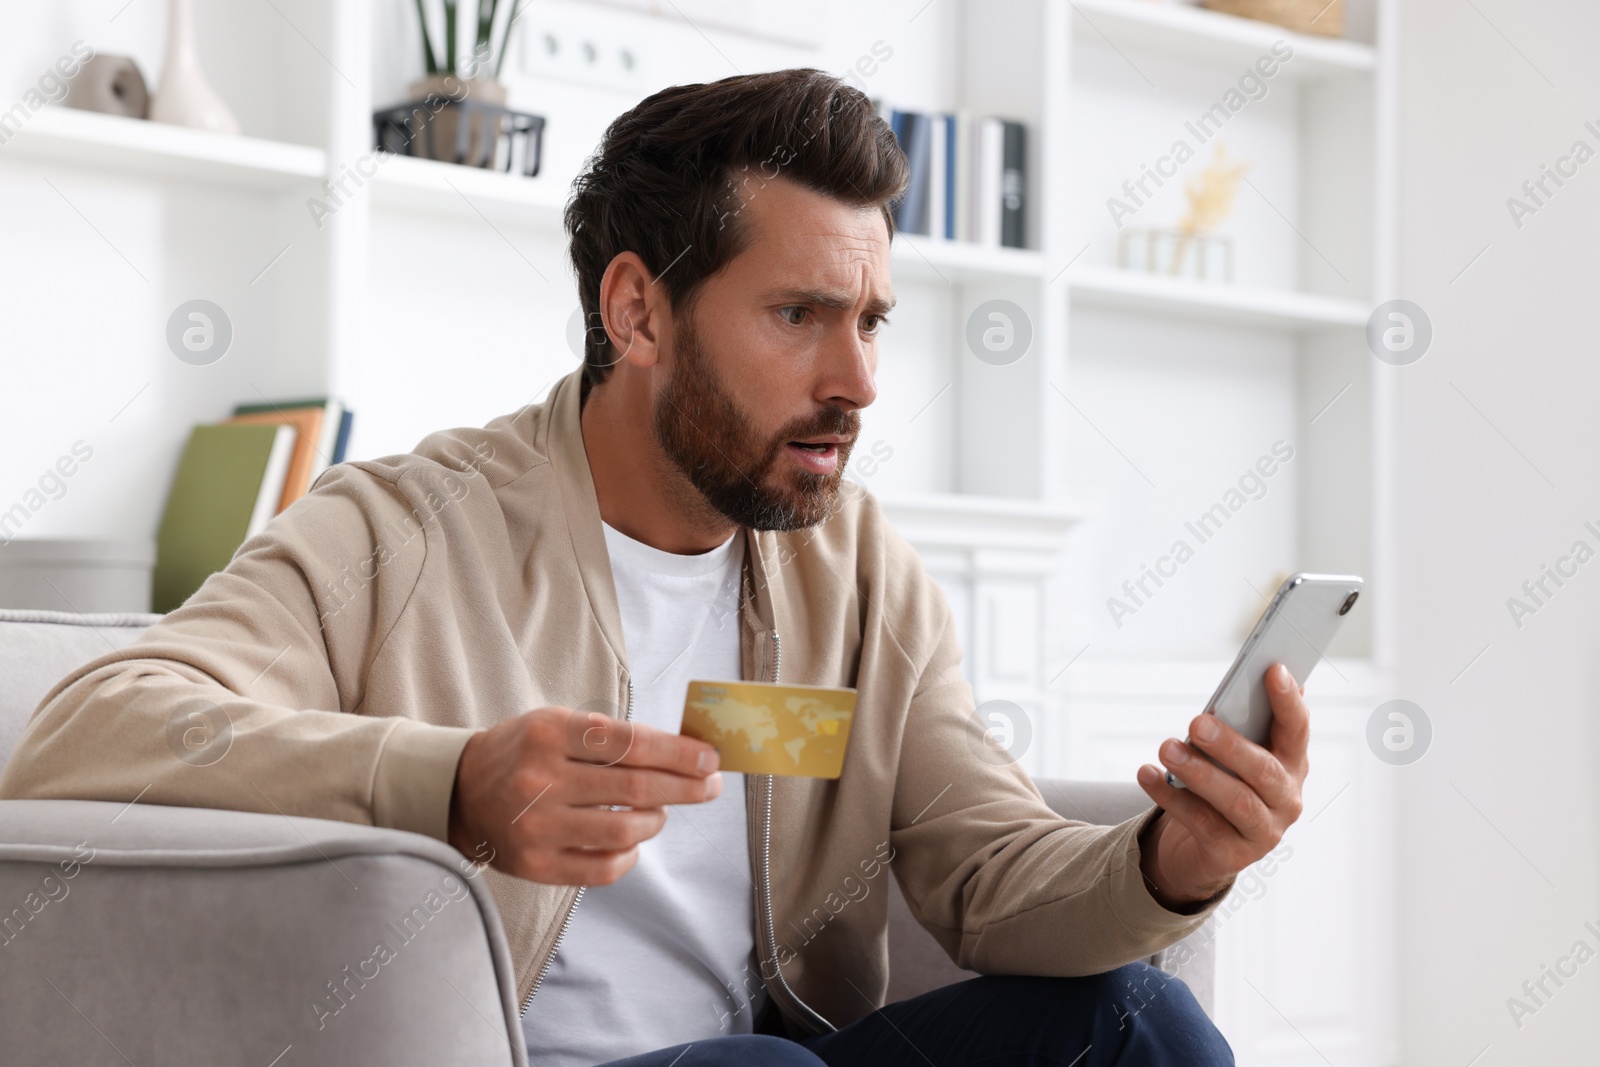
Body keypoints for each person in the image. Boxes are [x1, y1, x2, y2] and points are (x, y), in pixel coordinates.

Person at [0, 69, 1314, 1065]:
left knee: (1142, 1021)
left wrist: (1169, 862)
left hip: (773, 1058)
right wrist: (449, 781)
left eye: (869, 323)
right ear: (637, 311)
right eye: (799, 315)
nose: (856, 382)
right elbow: (88, 735)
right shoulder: (396, 531)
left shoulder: (859, 572)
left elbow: (983, 867)